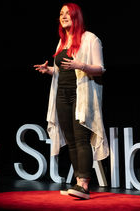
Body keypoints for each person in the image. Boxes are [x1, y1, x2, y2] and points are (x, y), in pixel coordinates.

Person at [33, 3, 109, 200]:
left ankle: (84, 183)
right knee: (71, 139)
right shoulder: (62, 42)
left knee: (81, 137)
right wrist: (49, 70)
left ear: (76, 16)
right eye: (61, 13)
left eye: (68, 13)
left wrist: (80, 65)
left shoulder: (90, 38)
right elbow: (61, 72)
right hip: (62, 95)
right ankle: (77, 182)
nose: (64, 16)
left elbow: (100, 69)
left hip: (81, 94)